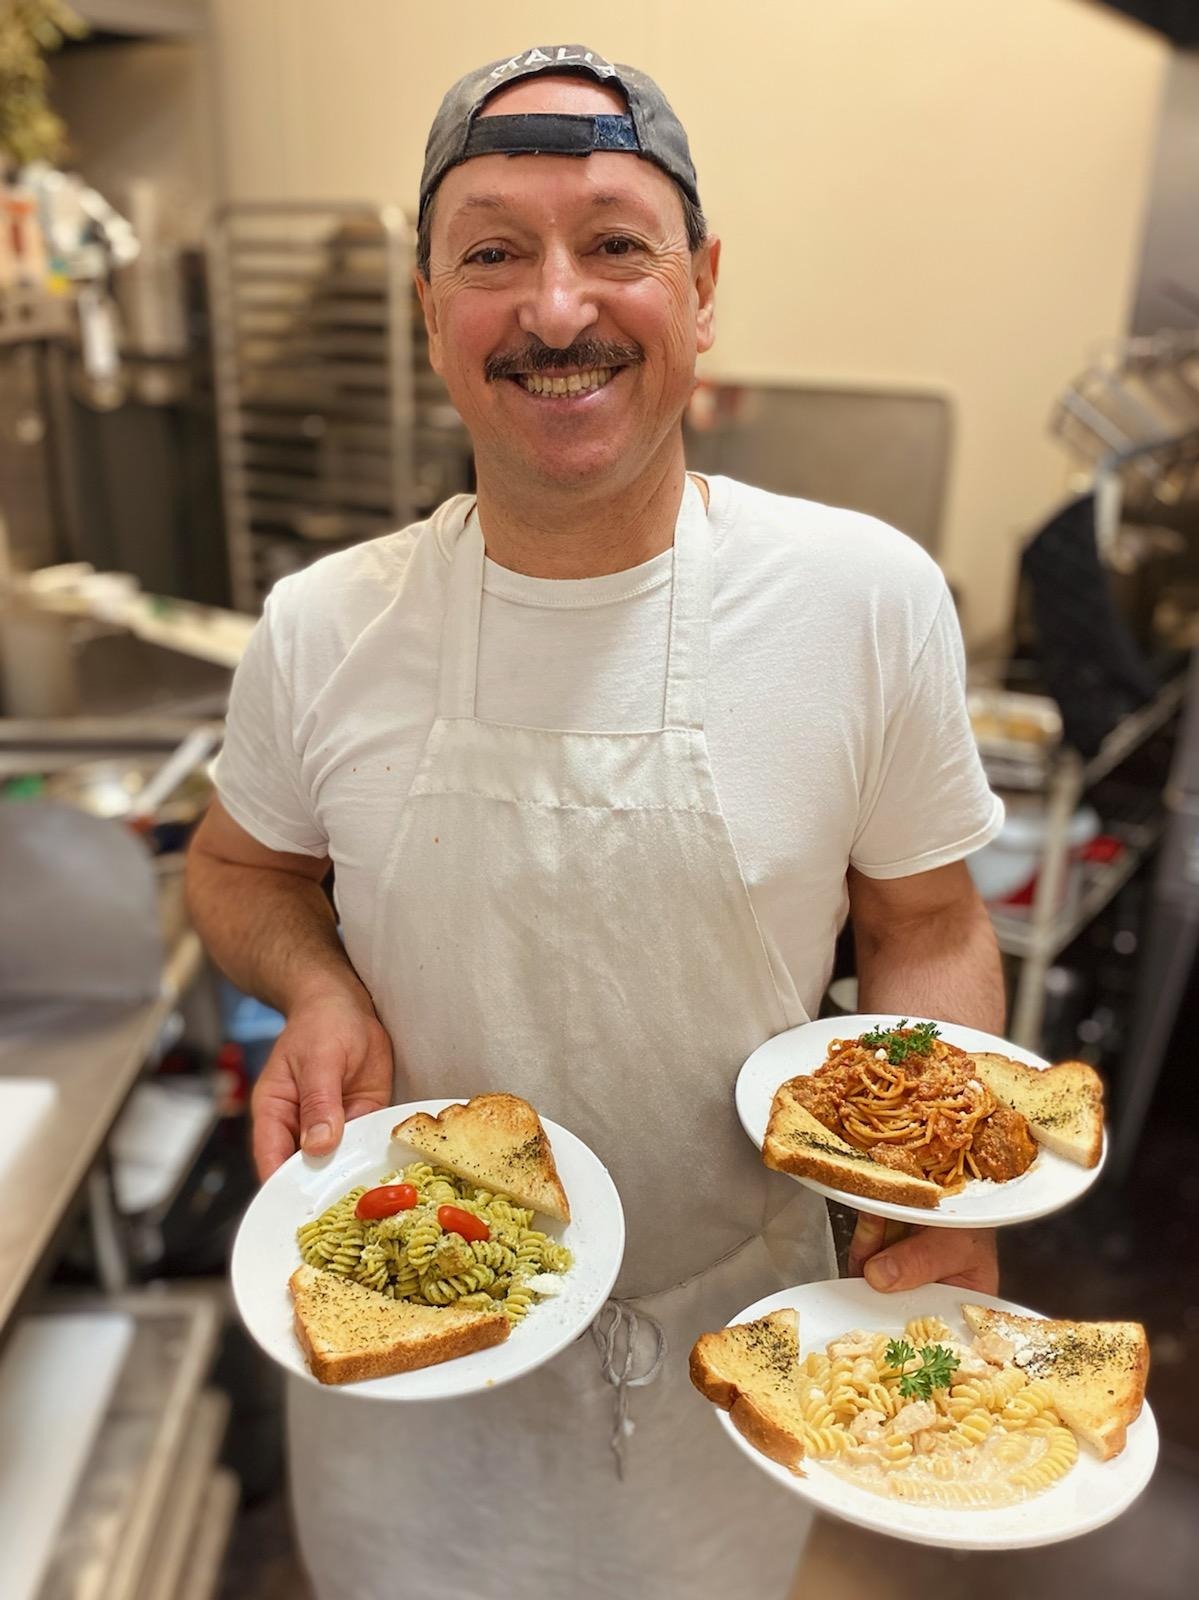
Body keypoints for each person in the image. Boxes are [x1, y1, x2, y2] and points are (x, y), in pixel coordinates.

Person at [187, 43, 1006, 1600]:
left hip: (732, 1348)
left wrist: (942, 1191)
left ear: (703, 289)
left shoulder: (863, 602)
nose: (556, 310)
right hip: (403, 1347)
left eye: (615, 244)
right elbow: (239, 870)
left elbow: (930, 922)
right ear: (429, 308)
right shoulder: (322, 627)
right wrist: (315, 982)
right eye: (492, 254)